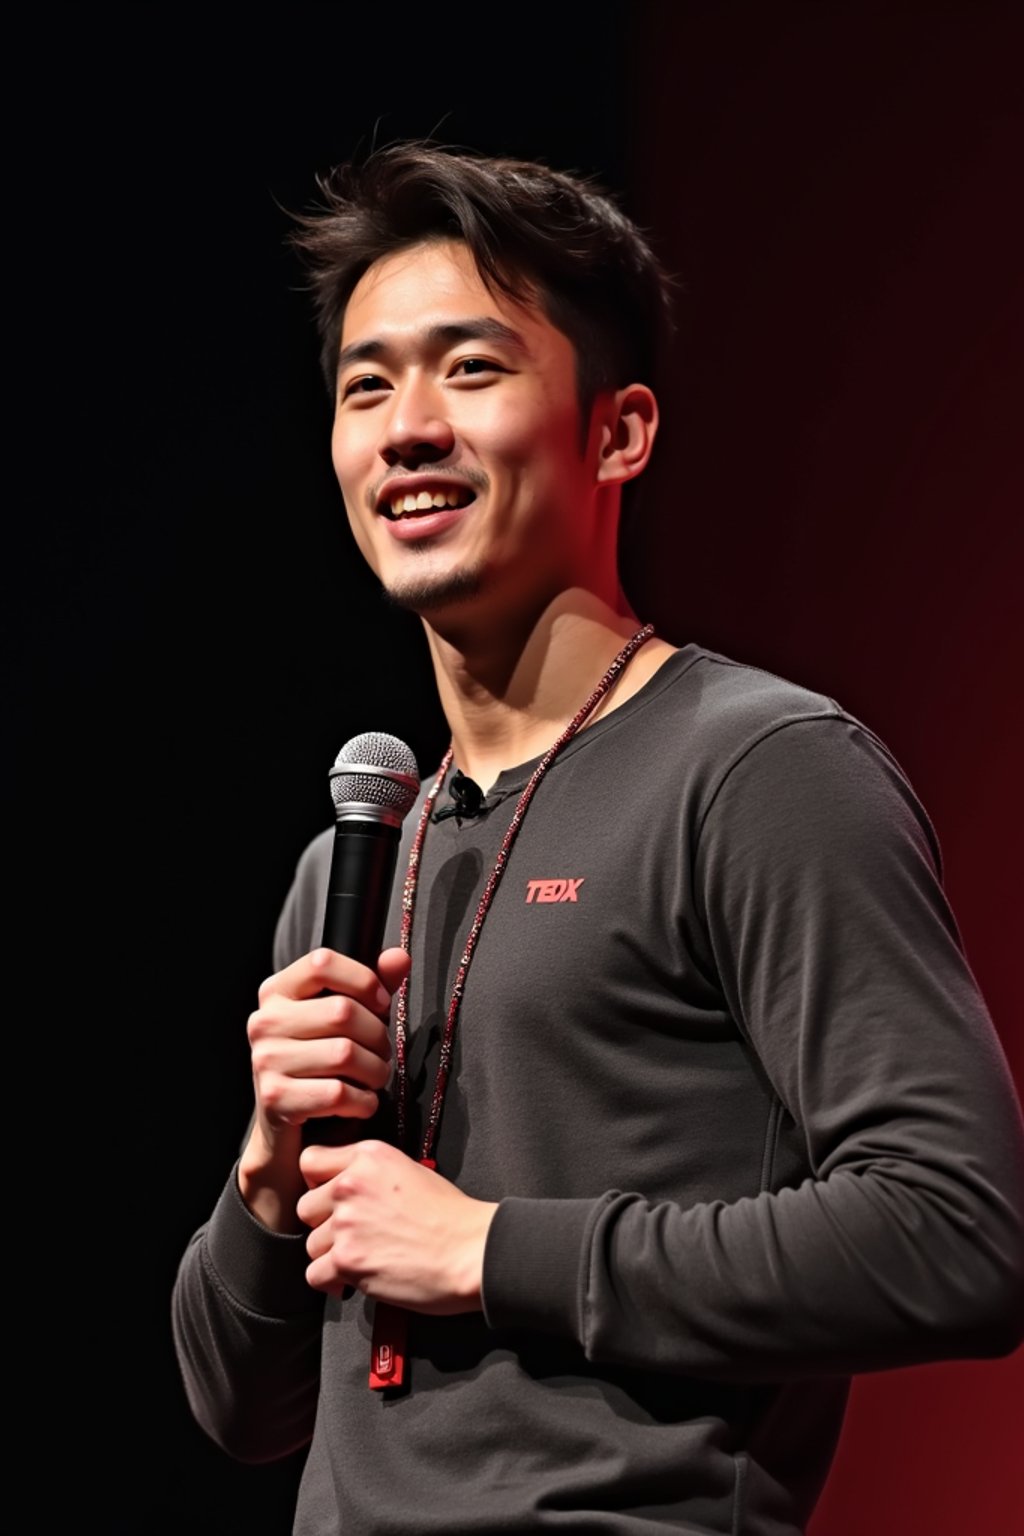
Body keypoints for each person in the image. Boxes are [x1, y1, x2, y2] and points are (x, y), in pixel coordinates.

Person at [171, 142, 1024, 1535]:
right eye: (366, 385)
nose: (408, 427)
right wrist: (269, 1167)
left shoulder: (757, 771)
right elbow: (245, 1407)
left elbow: (955, 1233)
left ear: (619, 433)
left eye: (472, 369)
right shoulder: (356, 861)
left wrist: (494, 1252)